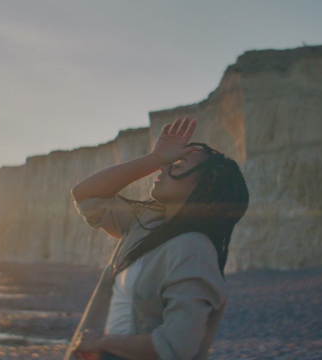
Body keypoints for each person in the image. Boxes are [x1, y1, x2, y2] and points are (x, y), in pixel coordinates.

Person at [66, 117, 249, 360]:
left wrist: (103, 342)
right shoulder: (148, 222)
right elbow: (86, 195)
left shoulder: (194, 250)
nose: (164, 168)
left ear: (202, 189)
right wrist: (153, 159)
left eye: (177, 166)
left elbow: (176, 346)